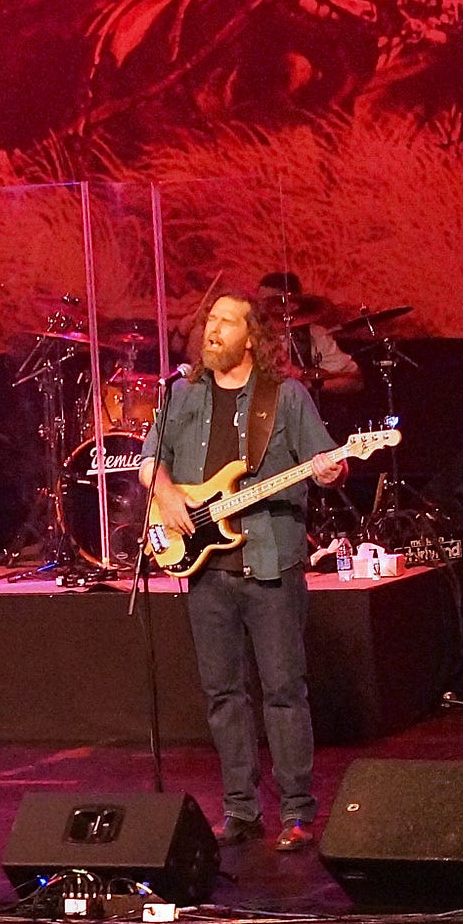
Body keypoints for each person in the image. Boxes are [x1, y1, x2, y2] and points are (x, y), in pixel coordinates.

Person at [143, 294, 346, 851]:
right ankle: (240, 811)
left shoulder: (286, 398)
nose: (212, 330)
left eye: (225, 322)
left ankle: (298, 814)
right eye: (209, 321)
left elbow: (327, 464)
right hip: (206, 569)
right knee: (223, 693)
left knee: (283, 691)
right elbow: (148, 462)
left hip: (270, 563)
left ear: (251, 337)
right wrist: (168, 497)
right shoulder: (181, 395)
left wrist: (331, 470)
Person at [256, 271, 364, 397]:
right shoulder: (250, 336)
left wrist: (309, 384)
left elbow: (354, 381)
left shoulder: (315, 334)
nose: (262, 310)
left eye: (271, 304)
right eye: (260, 303)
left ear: (292, 306)